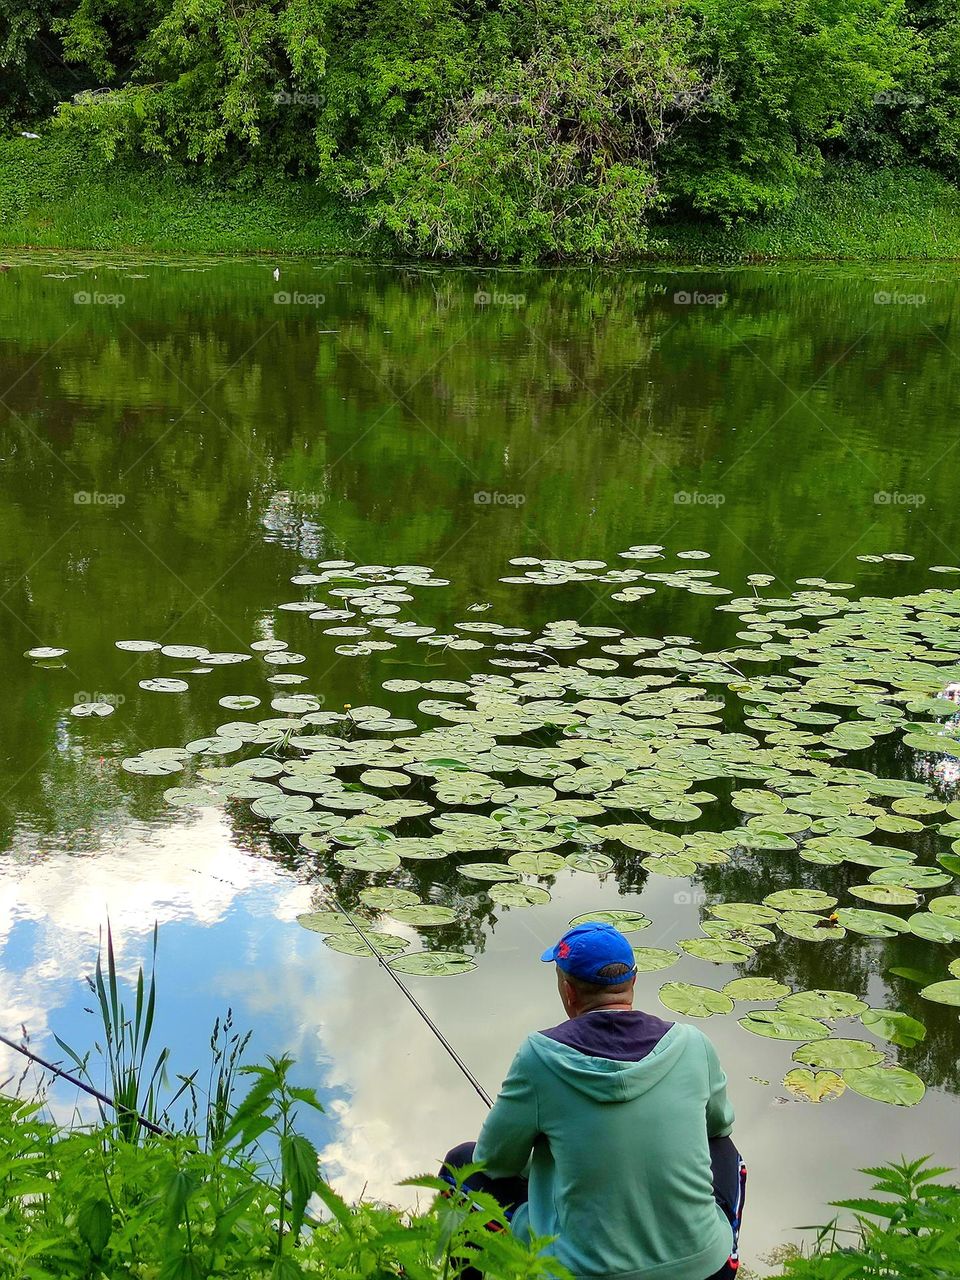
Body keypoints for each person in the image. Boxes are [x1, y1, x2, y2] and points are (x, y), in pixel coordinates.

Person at [440, 921, 746, 1280]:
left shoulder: (539, 1057)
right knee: (727, 1152)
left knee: (460, 1167)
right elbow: (719, 1125)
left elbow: (493, 1163)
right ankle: (720, 1252)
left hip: (579, 1273)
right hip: (704, 1270)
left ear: (568, 992)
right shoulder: (694, 1044)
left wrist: (541, 1161)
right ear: (633, 982)